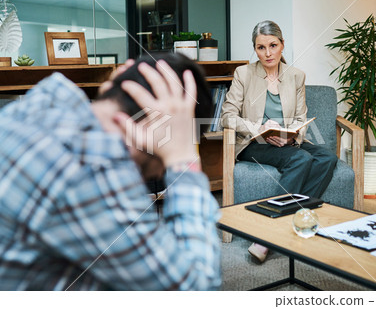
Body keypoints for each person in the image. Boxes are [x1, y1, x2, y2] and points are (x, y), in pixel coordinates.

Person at [0, 53, 221, 290]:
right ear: (155, 128)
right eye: (160, 167)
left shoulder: (43, 104)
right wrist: (182, 158)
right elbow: (198, 289)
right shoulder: (91, 170)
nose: (157, 175)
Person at [221, 20, 338, 263]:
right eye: (261, 47)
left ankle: (292, 220)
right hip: (254, 144)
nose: (268, 53)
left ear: (282, 45)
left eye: (273, 45)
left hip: (286, 142)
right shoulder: (243, 73)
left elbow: (300, 118)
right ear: (255, 49)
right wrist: (260, 128)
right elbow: (228, 117)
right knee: (301, 159)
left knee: (327, 157)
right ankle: (266, 234)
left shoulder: (296, 76)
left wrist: (291, 135)